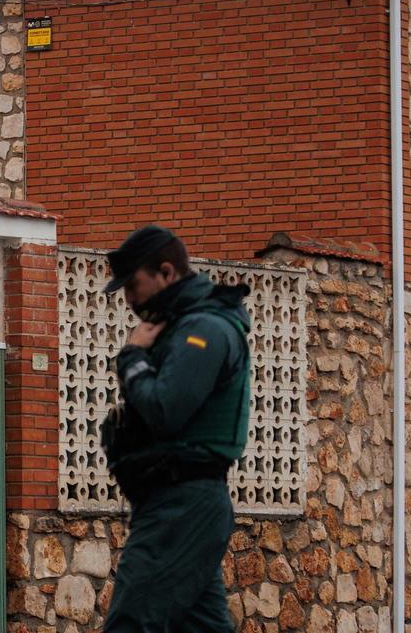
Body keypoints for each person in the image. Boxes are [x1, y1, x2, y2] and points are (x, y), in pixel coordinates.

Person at [100, 224, 252, 633]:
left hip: (182, 505)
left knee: (130, 625)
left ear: (166, 273)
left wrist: (132, 359)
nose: (130, 301)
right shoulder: (181, 325)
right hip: (174, 502)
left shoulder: (205, 329)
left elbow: (166, 409)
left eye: (134, 286)